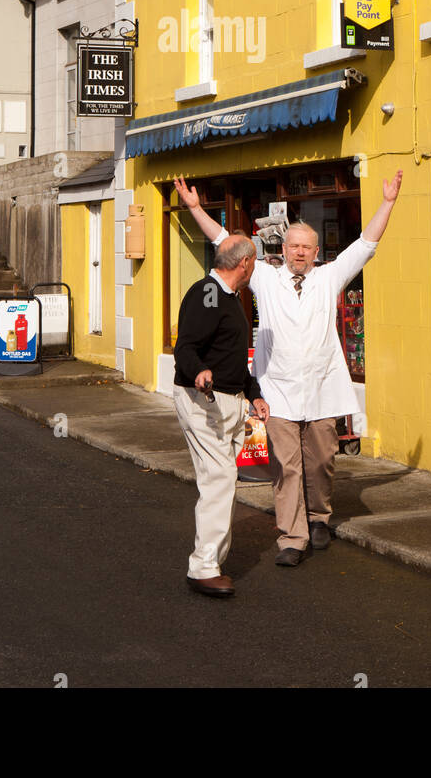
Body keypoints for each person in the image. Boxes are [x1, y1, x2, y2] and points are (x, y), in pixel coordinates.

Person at [175, 172, 402, 566]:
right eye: (293, 246)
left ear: (316, 252)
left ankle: (319, 516)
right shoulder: (264, 276)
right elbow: (223, 241)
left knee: (322, 460)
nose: (298, 253)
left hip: (323, 387)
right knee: (286, 466)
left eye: (306, 248)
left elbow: (366, 244)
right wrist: (196, 209)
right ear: (284, 247)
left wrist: (387, 203)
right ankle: (292, 538)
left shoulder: (329, 277)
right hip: (276, 388)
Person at [173, 232, 270, 597]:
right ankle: (203, 567)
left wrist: (253, 393)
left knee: (221, 480)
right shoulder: (208, 294)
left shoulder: (228, 298)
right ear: (244, 263)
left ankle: (212, 559)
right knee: (220, 477)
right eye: (254, 261)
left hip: (228, 400)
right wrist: (198, 370)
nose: (254, 267)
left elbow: (230, 357)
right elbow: (186, 345)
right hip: (204, 402)